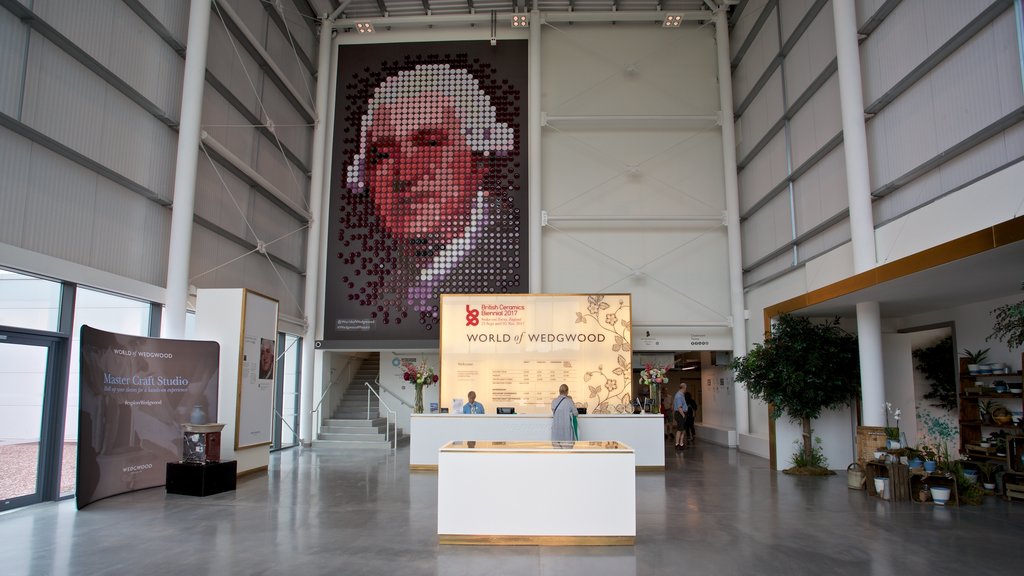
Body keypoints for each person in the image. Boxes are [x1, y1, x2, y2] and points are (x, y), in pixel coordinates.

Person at [339, 62, 523, 330]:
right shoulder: (374, 281)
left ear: (478, 162)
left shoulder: (511, 256)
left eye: (431, 144)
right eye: (382, 155)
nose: (404, 174)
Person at [673, 383, 689, 450]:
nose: (686, 389)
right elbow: (679, 407)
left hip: (681, 413)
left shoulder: (681, 395)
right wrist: (683, 415)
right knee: (680, 429)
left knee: (683, 429)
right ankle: (677, 444)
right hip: (680, 414)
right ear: (684, 388)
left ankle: (681, 443)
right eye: (686, 388)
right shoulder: (679, 395)